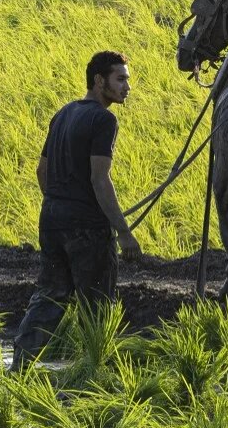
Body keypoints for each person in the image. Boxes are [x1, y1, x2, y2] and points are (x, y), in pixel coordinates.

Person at [11, 51, 142, 371]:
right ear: (99, 81)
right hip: (87, 230)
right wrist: (124, 233)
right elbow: (100, 180)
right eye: (120, 78)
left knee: (50, 297)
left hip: (52, 219)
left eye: (127, 79)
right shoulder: (104, 119)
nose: (127, 86)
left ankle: (19, 368)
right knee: (98, 308)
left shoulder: (63, 114)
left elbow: (42, 172)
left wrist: (62, 203)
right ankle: (95, 378)